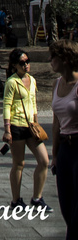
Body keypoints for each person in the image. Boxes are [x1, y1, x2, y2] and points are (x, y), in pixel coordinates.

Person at [2, 47, 50, 212]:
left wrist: (36, 122)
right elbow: (7, 106)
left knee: (44, 161)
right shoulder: (11, 82)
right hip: (16, 125)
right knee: (19, 164)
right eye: (23, 63)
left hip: (31, 127)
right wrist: (7, 129)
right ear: (15, 65)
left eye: (28, 61)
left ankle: (37, 198)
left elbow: (34, 103)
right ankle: (16, 200)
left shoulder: (32, 79)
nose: (26, 65)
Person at [49, 38, 78, 237]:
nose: (50, 60)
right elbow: (56, 122)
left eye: (53, 57)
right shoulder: (57, 84)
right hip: (65, 149)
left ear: (65, 59)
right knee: (66, 206)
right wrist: (55, 154)